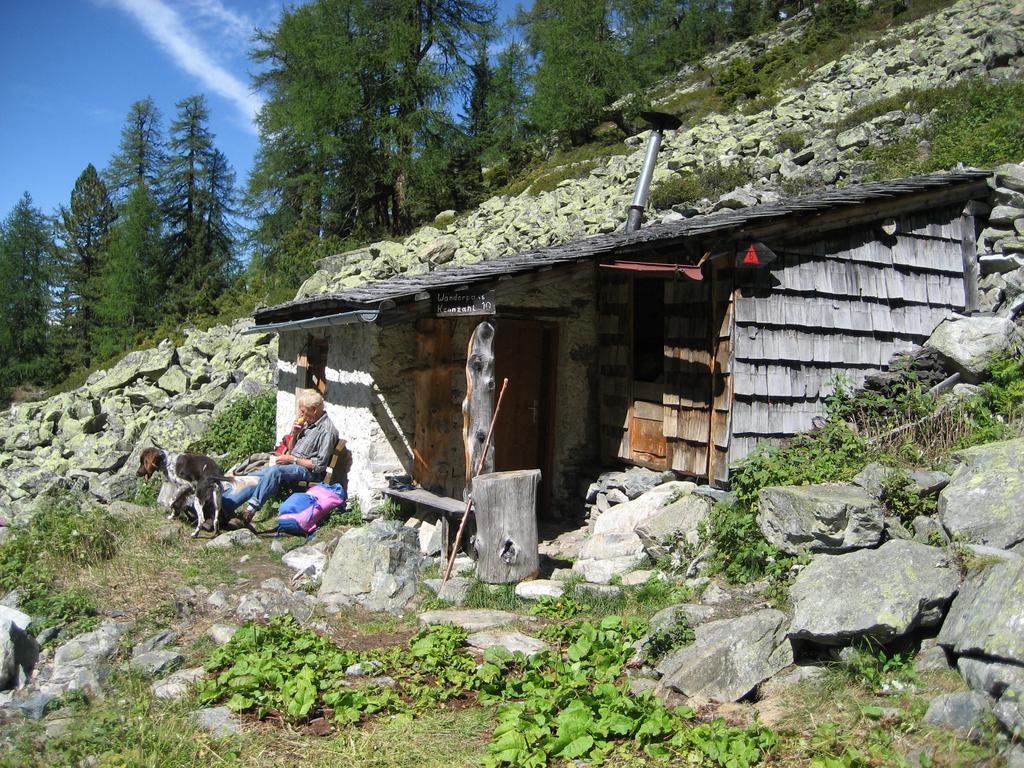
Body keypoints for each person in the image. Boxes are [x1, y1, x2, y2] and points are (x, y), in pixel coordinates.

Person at [224, 389, 339, 524]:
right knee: (256, 475)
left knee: (274, 472)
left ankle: (248, 512)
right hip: (293, 464)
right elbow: (292, 449)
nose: (301, 414)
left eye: (303, 411)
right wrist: (295, 433)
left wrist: (293, 459)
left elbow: (319, 466)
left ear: (314, 409)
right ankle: (224, 506)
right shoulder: (309, 424)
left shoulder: (326, 431)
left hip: (308, 471)